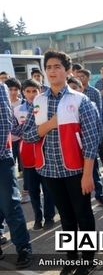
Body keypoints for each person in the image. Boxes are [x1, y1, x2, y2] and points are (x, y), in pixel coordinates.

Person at [23, 50, 99, 275]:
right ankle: (71, 258)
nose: (52, 71)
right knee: (65, 217)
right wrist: (49, 125)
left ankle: (88, 260)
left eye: (57, 66)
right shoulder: (39, 100)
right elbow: (27, 134)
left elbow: (91, 140)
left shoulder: (79, 100)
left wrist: (88, 174)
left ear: (67, 71)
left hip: (75, 170)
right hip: (49, 169)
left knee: (83, 215)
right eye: (49, 67)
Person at [12, 79, 56, 230]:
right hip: (27, 154)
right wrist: (31, 128)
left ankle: (49, 217)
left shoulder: (45, 106)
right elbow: (14, 130)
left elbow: (50, 126)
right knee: (32, 189)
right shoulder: (17, 110)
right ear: (23, 92)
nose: (31, 95)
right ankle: (38, 217)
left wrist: (29, 129)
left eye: (34, 91)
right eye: (28, 91)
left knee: (48, 187)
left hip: (45, 151)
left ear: (40, 91)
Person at [0, 81, 33, 268]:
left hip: (1, 159)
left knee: (10, 205)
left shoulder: (0, 88)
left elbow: (4, 122)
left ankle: (23, 248)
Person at [76, 68, 103, 208]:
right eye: (78, 76)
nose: (80, 79)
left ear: (87, 78)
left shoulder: (94, 93)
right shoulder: (67, 99)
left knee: (93, 170)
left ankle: (100, 195)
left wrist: (98, 139)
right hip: (75, 144)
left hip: (90, 140)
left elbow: (99, 118)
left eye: (82, 77)